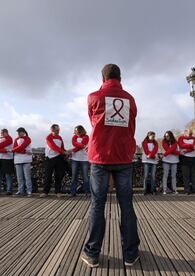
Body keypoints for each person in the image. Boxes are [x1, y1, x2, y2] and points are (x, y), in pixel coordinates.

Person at [81, 64, 140, 268]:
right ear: (120, 77)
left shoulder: (93, 97)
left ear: (102, 77)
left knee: (98, 204)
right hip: (123, 156)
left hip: (100, 157)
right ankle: (130, 253)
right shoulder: (130, 99)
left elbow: (93, 122)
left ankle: (93, 253)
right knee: (126, 205)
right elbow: (132, 123)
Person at [41, 124, 67, 197]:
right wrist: (64, 152)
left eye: (59, 130)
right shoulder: (48, 137)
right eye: (57, 130)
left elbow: (62, 147)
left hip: (59, 158)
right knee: (47, 175)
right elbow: (53, 147)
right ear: (52, 130)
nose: (58, 131)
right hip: (49, 158)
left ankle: (58, 191)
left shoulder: (60, 137)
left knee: (58, 175)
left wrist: (66, 152)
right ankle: (45, 192)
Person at [0, 129, 14, 195]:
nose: (1, 134)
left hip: (7, 159)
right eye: (1, 133)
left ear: (6, 132)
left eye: (2, 133)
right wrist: (2, 150)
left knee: (8, 175)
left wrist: (0, 149)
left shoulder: (9, 138)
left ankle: (9, 190)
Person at [12, 127, 33, 197]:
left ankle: (29, 190)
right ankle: (20, 190)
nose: (18, 133)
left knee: (27, 176)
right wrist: (24, 151)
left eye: (20, 132)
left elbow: (22, 146)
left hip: (26, 160)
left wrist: (20, 150)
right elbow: (14, 149)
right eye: (18, 132)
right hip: (18, 160)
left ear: (23, 132)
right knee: (19, 177)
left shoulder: (28, 138)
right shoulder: (16, 139)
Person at [70, 125, 90, 197]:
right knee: (74, 176)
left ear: (82, 131)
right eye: (75, 131)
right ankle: (73, 192)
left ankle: (87, 192)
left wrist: (72, 151)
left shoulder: (86, 137)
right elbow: (78, 145)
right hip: (75, 159)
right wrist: (81, 145)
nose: (76, 132)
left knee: (85, 176)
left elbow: (81, 146)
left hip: (84, 159)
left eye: (78, 131)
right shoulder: (74, 137)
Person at [178, 129, 195, 194]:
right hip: (185, 159)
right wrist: (191, 146)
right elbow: (182, 145)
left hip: (194, 158)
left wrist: (187, 150)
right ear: (184, 133)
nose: (189, 135)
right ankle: (187, 190)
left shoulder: (194, 139)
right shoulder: (181, 138)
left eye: (190, 134)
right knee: (186, 176)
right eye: (188, 134)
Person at [161, 131, 180, 195]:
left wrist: (165, 154)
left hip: (174, 161)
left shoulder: (175, 142)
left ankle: (174, 189)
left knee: (173, 176)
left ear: (171, 136)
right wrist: (176, 152)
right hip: (166, 160)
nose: (166, 137)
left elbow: (172, 150)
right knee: (165, 175)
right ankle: (164, 190)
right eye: (165, 136)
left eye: (168, 136)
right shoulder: (163, 141)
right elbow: (167, 149)